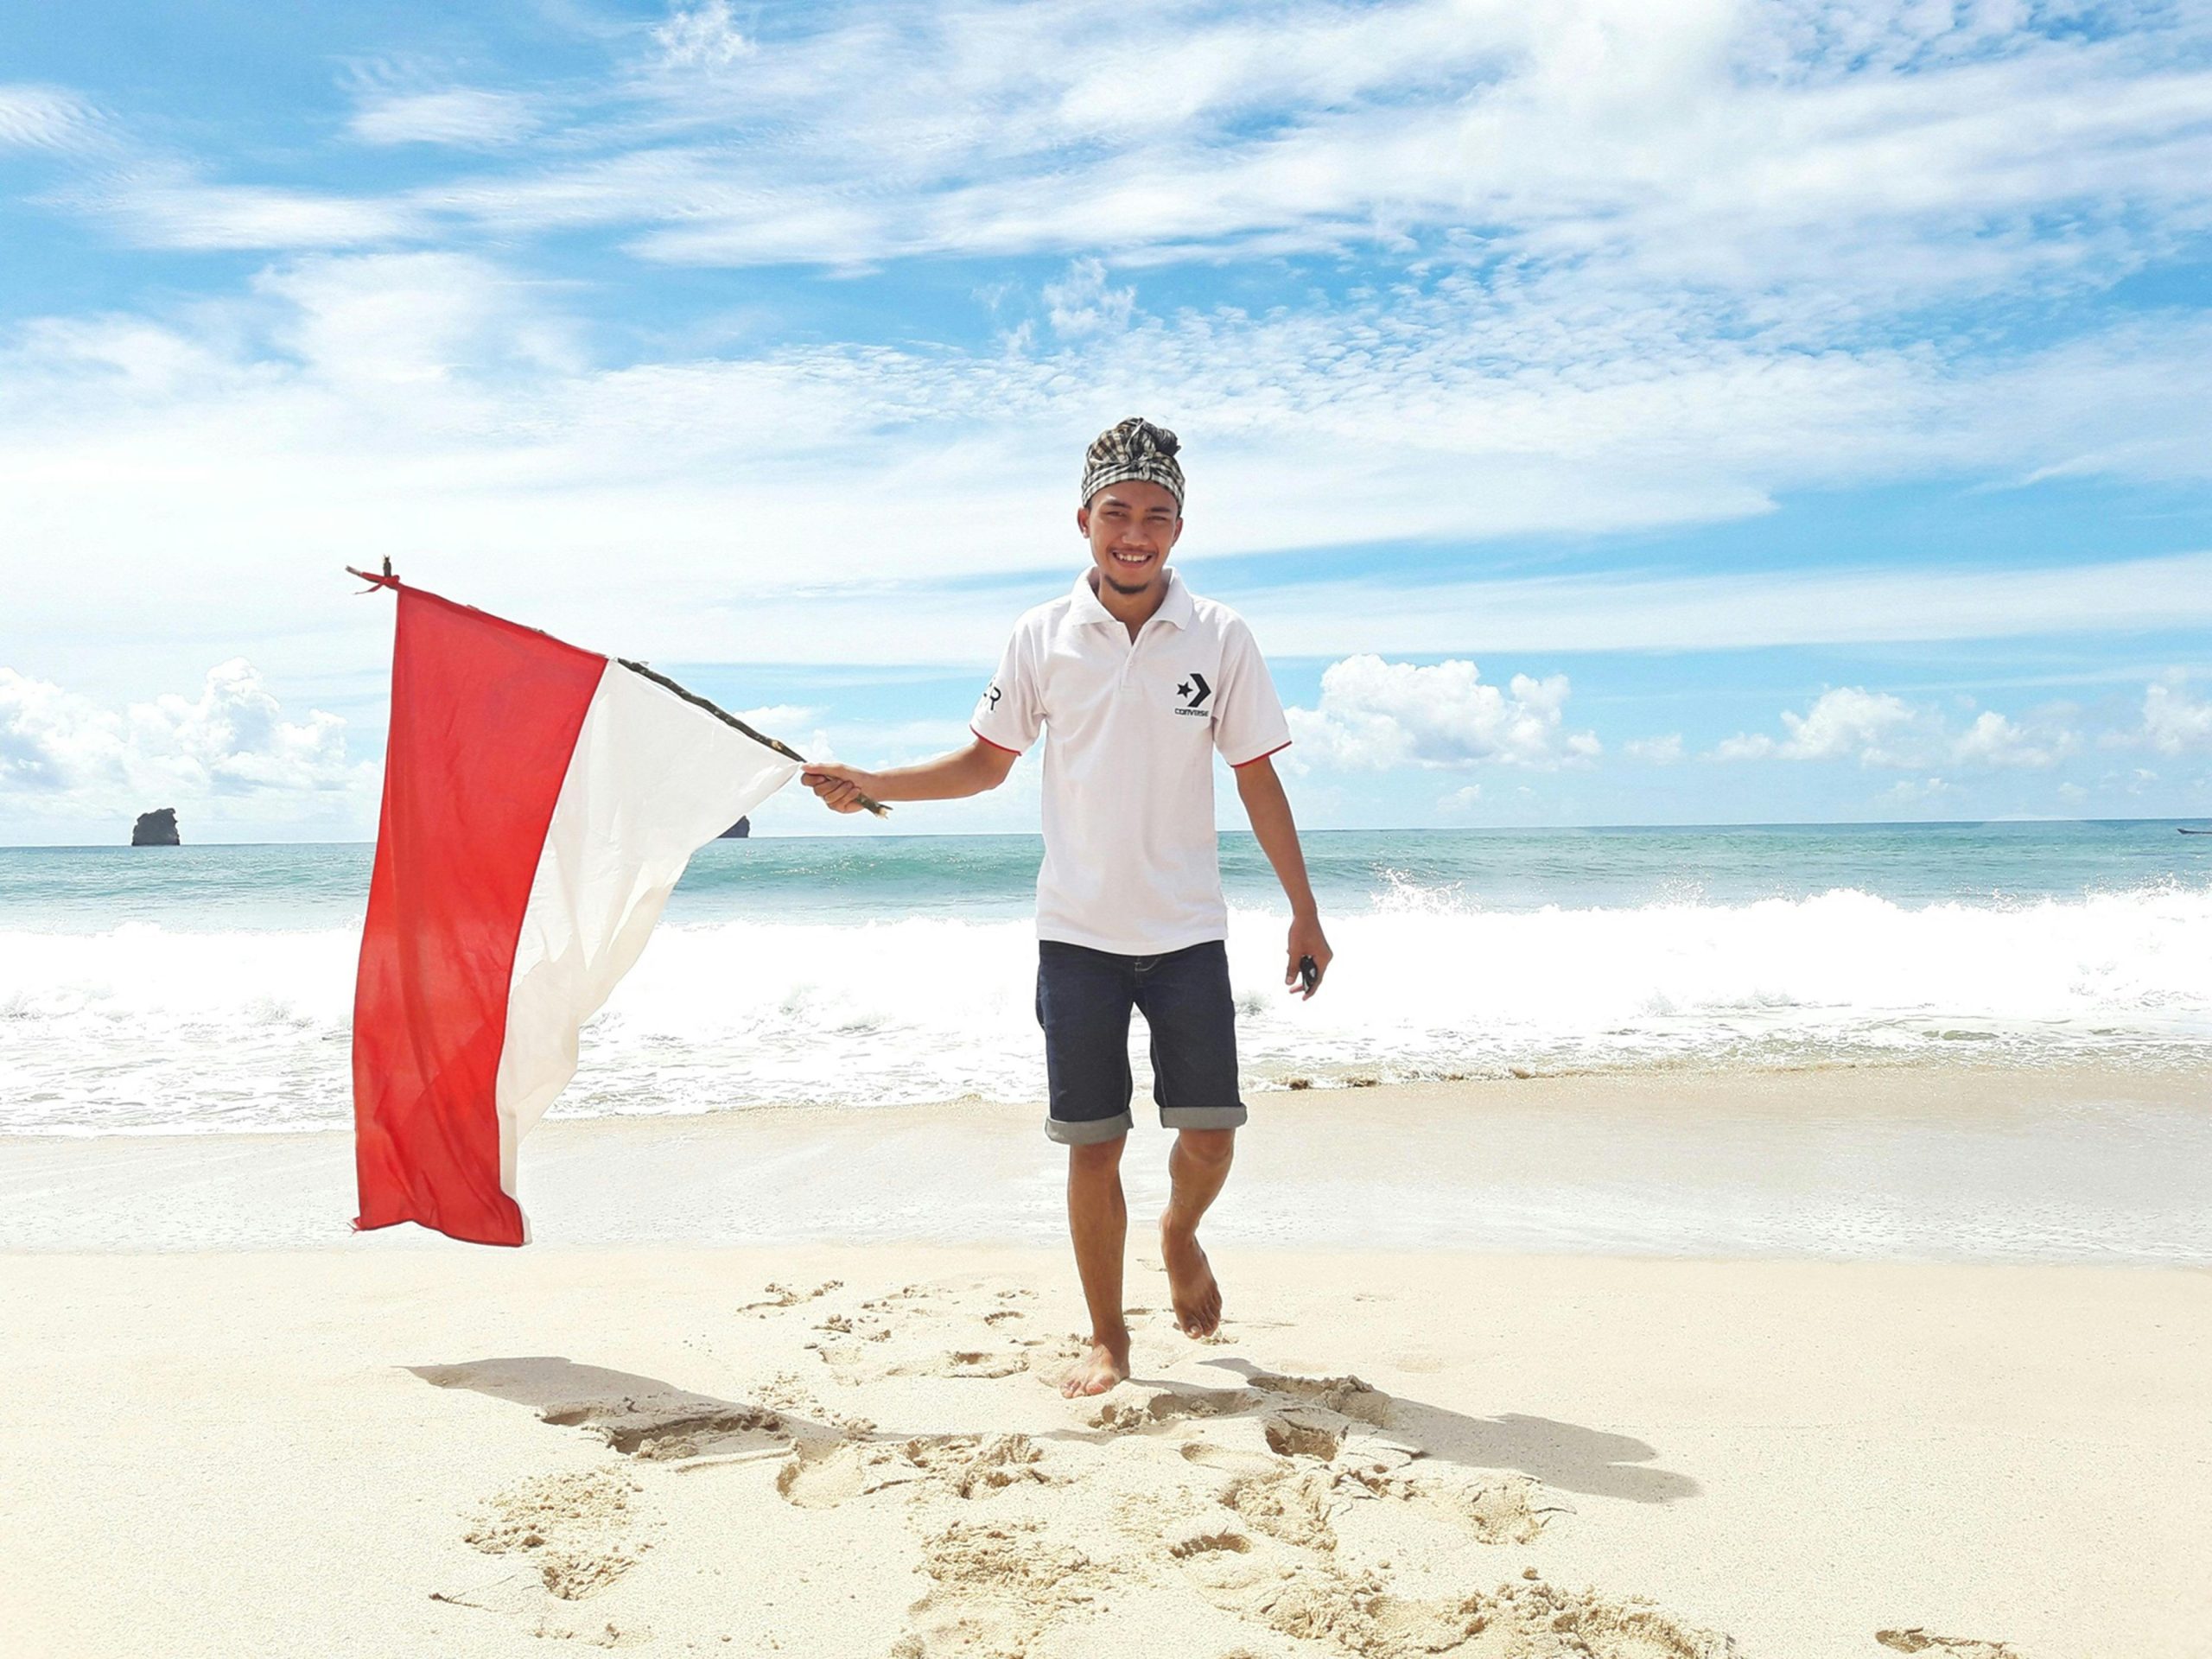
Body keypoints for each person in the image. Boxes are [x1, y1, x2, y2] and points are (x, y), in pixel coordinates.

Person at [802, 416, 1332, 1398]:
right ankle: (1109, 1342)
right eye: (1117, 513)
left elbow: (1258, 777)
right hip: (1077, 935)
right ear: (1083, 520)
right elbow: (983, 765)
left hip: (1185, 932)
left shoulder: (1220, 636)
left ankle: (1178, 1236)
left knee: (1209, 1134)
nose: (1136, 532)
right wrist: (871, 781)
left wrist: (1303, 909)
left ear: (1180, 527)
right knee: (1096, 1146)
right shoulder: (1042, 637)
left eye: (1157, 516)